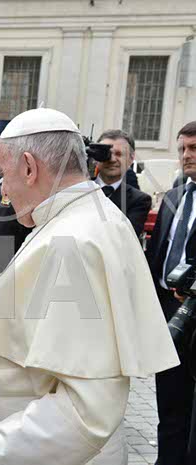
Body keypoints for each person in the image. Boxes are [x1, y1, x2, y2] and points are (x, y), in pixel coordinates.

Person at [0, 108, 178, 465]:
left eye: (4, 174)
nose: (4, 191)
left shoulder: (74, 238)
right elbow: (33, 321)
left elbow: (85, 411)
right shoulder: (81, 217)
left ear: (29, 167)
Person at [145, 120, 196, 465]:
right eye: (181, 149)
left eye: (193, 148)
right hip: (168, 313)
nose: (185, 155)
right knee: (170, 402)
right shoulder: (175, 197)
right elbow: (156, 255)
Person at [95, 129, 152, 236]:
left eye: (118, 154)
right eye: (107, 153)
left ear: (131, 158)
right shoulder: (80, 190)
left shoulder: (139, 200)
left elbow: (125, 236)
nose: (112, 159)